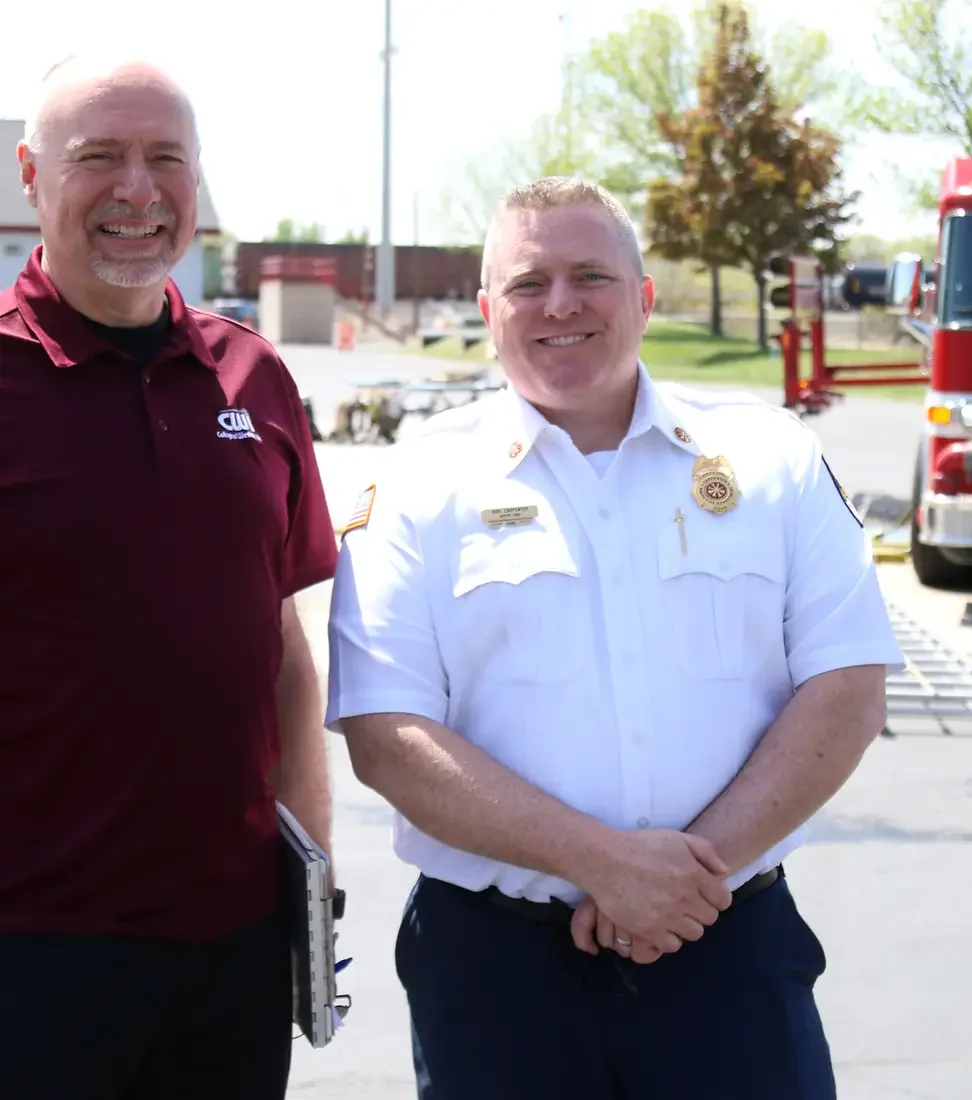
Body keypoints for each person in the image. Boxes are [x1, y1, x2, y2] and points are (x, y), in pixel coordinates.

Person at [325, 176, 906, 1100]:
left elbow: (847, 687)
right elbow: (386, 736)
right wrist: (602, 865)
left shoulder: (770, 460)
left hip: (729, 957)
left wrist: (679, 888)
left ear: (641, 296)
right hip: (497, 976)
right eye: (527, 282)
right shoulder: (416, 483)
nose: (559, 304)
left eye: (589, 274)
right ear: (486, 309)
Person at [0, 55, 338, 1099]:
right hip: (32, 951)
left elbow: (279, 646)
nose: (137, 191)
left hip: (232, 950)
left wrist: (311, 883)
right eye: (98, 157)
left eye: (165, 160)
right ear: (30, 175)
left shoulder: (255, 377)